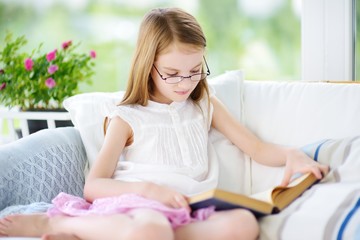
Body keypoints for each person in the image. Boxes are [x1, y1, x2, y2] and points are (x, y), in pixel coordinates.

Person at [0, 7, 329, 240]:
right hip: (136, 205)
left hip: (187, 211)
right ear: (148, 65)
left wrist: (291, 155)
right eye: (172, 74)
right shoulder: (127, 117)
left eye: (195, 70)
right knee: (152, 228)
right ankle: (57, 224)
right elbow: (94, 185)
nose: (185, 83)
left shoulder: (205, 105)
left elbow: (255, 148)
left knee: (243, 225)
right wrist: (149, 190)